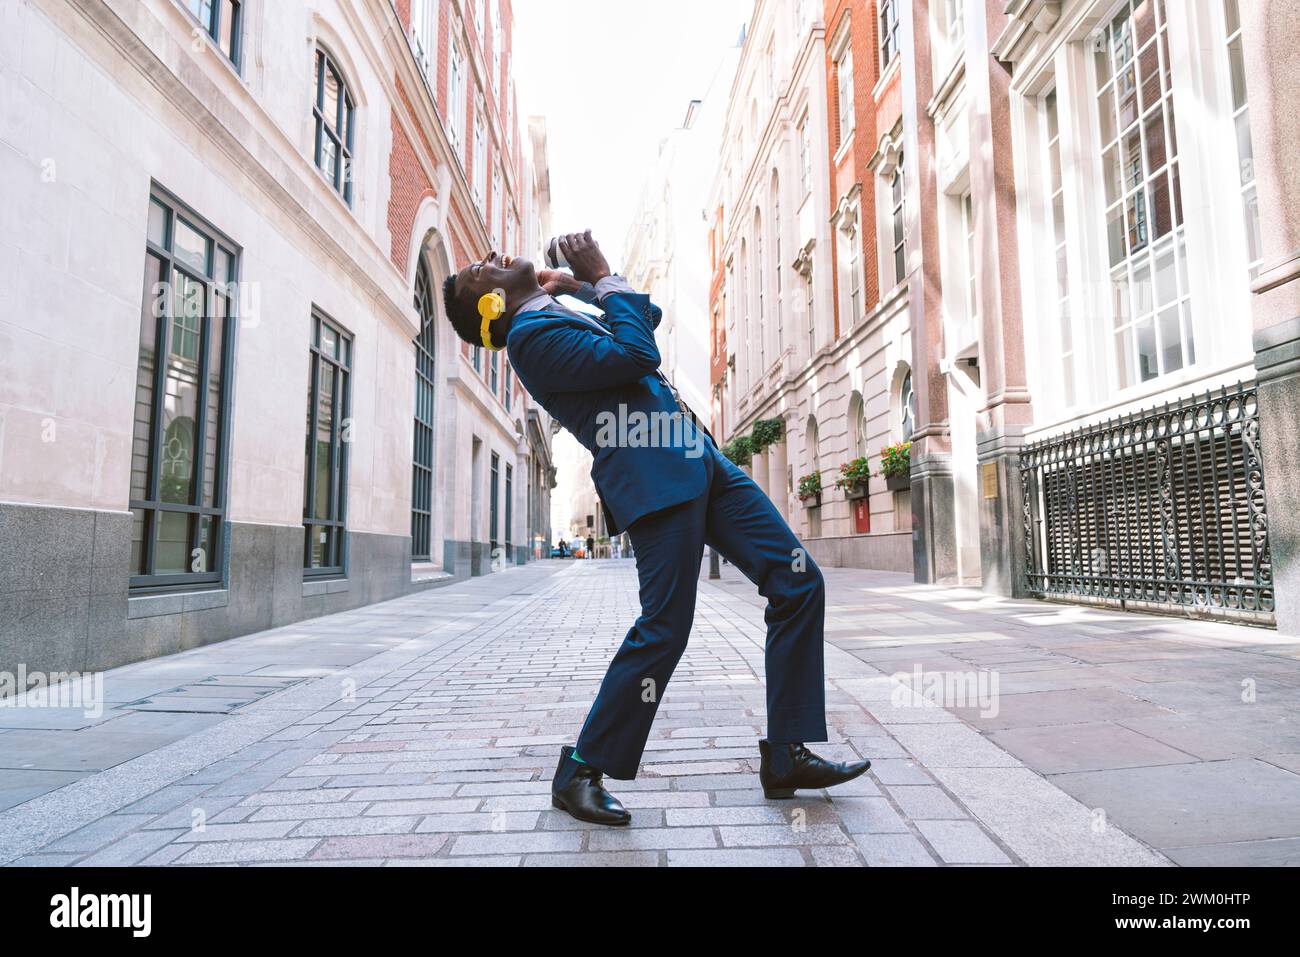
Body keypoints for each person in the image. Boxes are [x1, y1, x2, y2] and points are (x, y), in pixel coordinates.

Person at [441, 232, 869, 826]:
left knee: (798, 583)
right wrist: (605, 271)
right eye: (480, 271)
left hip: (698, 461)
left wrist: (587, 288)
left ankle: (787, 753)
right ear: (491, 306)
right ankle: (581, 769)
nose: (492, 259)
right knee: (665, 626)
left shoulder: (551, 314)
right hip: (654, 478)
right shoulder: (530, 339)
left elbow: (649, 318)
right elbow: (640, 354)